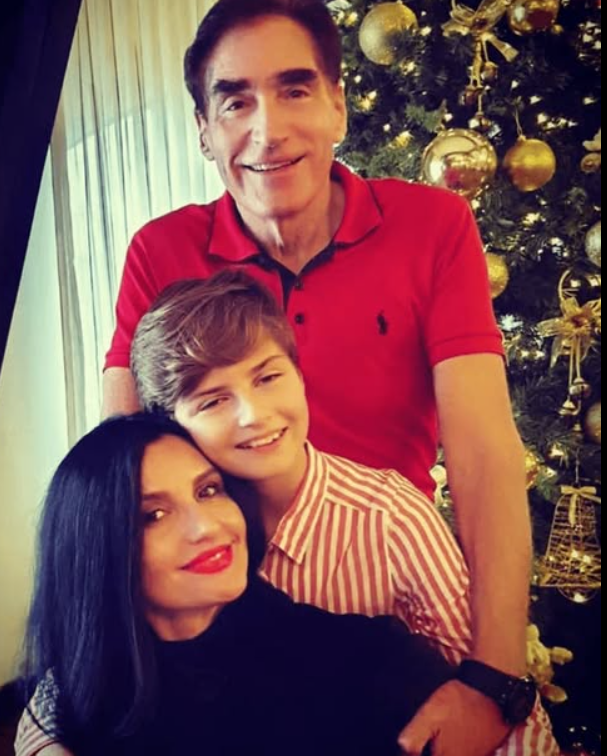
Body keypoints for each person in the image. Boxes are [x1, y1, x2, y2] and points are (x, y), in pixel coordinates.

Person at [98, 4, 536, 753]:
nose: (267, 129)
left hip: (377, 574)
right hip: (219, 595)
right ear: (204, 130)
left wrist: (493, 677)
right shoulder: (159, 250)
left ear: (337, 104)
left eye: (294, 90)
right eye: (235, 101)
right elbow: (114, 468)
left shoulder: (432, 226)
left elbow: (484, 455)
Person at [18, 272, 559, 756]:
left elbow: (488, 691)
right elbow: (91, 646)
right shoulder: (165, 529)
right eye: (213, 401)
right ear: (169, 425)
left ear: (300, 376)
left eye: (268, 378)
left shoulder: (389, 518)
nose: (254, 416)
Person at [17, 413, 452, 756]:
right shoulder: (77, 694)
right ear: (96, 553)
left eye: (208, 491)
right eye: (153, 515)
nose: (207, 527)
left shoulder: (358, 661)